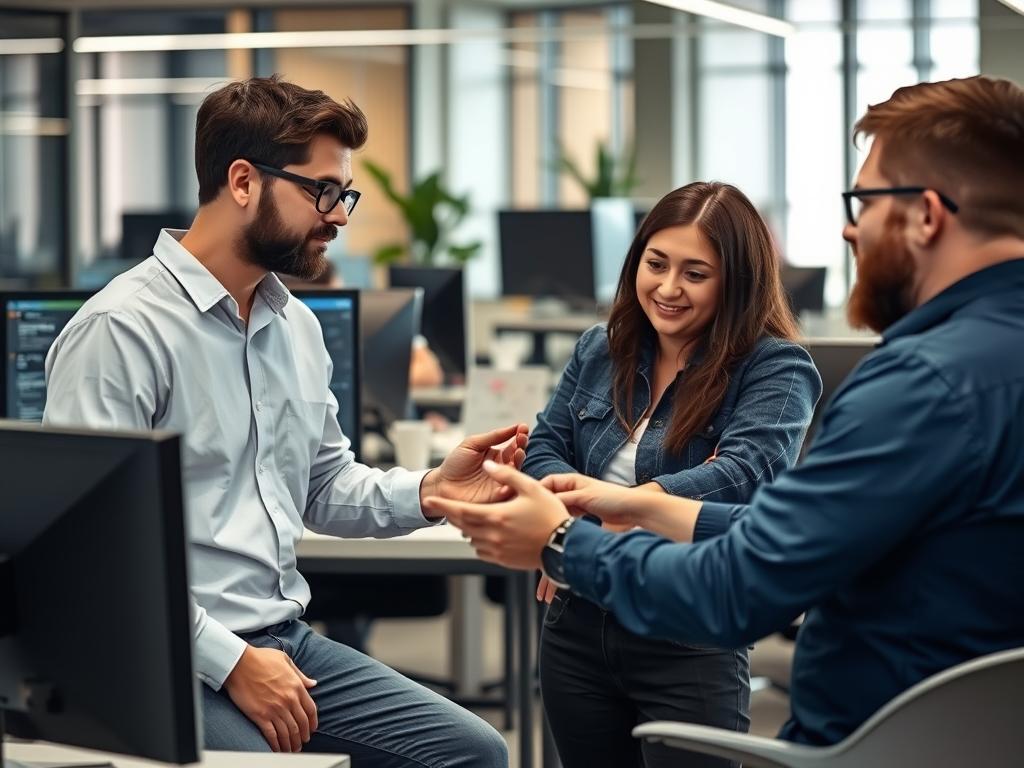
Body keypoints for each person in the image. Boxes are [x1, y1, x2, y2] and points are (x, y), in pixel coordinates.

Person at [424, 75, 1024, 748]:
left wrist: (563, 544)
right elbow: (815, 528)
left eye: (864, 201)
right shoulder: (984, 365)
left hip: (895, 742)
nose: (851, 229)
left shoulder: (922, 383)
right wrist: (643, 505)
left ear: (926, 215)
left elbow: (745, 583)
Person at [43, 75, 523, 768]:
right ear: (243, 182)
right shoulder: (122, 331)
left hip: (283, 639)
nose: (340, 215)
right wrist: (232, 661)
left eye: (343, 194)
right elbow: (96, 561)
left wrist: (433, 492)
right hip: (161, 653)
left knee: (472, 752)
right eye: (322, 191)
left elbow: (324, 485)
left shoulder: (293, 324)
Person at [519, 182, 821, 767]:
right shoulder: (600, 349)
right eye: (655, 264)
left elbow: (744, 476)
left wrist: (615, 505)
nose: (668, 288)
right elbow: (546, 448)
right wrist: (592, 515)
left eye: (695, 273)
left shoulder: (776, 367)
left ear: (736, 282)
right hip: (577, 619)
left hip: (686, 625)